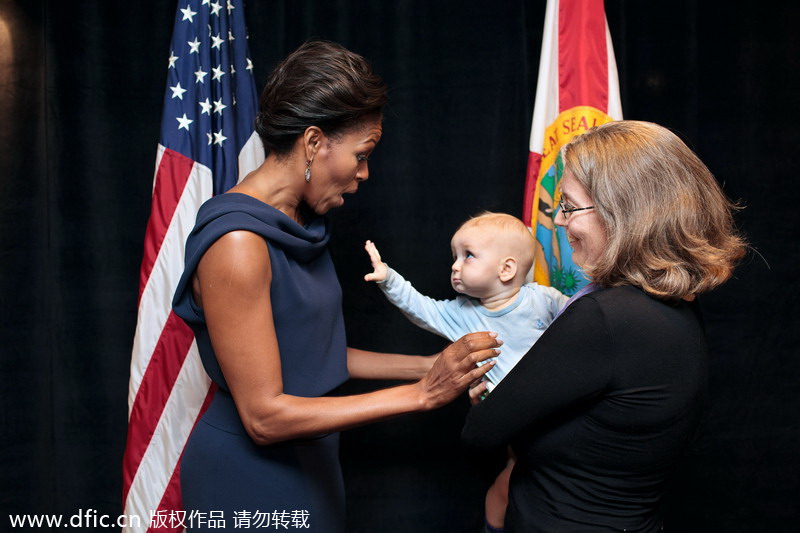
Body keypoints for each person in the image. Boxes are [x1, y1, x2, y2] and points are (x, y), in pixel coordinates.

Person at [171, 40, 500, 533]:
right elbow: (263, 417)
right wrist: (421, 394)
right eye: (361, 155)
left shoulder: (297, 220)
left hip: (315, 464)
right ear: (313, 143)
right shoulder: (237, 242)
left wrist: (429, 364)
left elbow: (315, 355)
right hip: (249, 480)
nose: (364, 174)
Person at [462, 120, 746, 532]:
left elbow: (481, 432)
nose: (559, 222)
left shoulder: (606, 318)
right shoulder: (675, 304)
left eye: (571, 206)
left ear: (624, 213)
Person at [363, 211, 568, 532]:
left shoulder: (543, 300)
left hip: (559, 421)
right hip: (515, 431)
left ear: (507, 269)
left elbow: (583, 325)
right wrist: (389, 279)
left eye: (468, 256)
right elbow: (422, 307)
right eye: (454, 256)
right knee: (502, 494)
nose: (455, 265)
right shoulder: (462, 314)